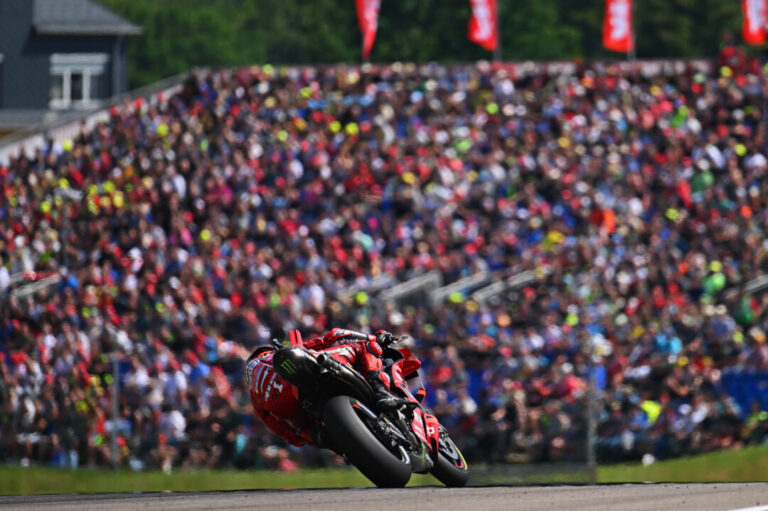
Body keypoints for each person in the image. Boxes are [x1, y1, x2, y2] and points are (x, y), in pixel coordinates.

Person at [245, 328, 399, 447]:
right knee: (364, 345)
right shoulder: (279, 353)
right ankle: (381, 391)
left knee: (308, 432)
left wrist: (309, 437)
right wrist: (376, 336)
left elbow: (286, 433)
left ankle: (331, 441)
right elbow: (331, 337)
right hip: (308, 377)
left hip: (288, 408)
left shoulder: (254, 397)